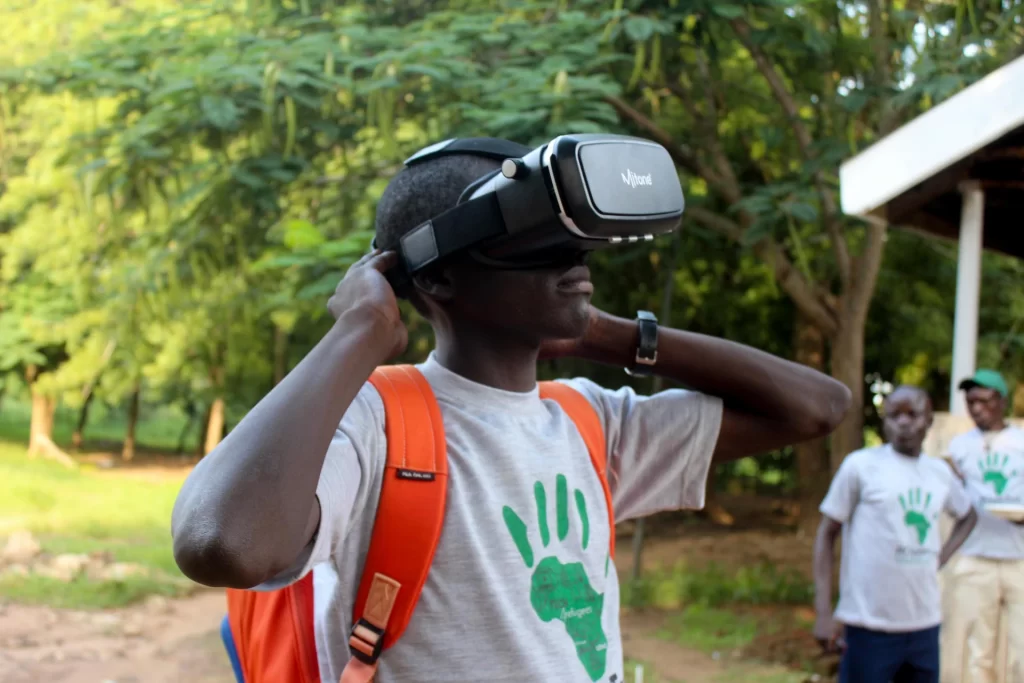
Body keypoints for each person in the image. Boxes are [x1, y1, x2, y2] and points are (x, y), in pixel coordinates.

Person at [170, 150, 852, 683]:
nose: (576, 262)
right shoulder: (378, 420)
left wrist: (608, 335)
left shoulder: (591, 422)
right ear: (436, 278)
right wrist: (359, 329)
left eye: (577, 243)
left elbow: (819, 406)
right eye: (540, 242)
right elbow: (221, 540)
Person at [813, 385, 978, 683]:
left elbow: (968, 516)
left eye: (912, 414)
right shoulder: (861, 466)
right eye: (894, 415)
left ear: (929, 420)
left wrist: (941, 557)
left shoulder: (939, 473)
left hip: (924, 625)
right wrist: (824, 612)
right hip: (868, 626)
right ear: (884, 422)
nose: (903, 423)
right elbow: (827, 534)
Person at [941, 369, 1024, 683]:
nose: (976, 409)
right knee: (980, 654)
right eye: (971, 402)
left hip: (1019, 559)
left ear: (1001, 402)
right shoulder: (959, 447)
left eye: (984, 401)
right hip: (976, 559)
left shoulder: (1020, 442)